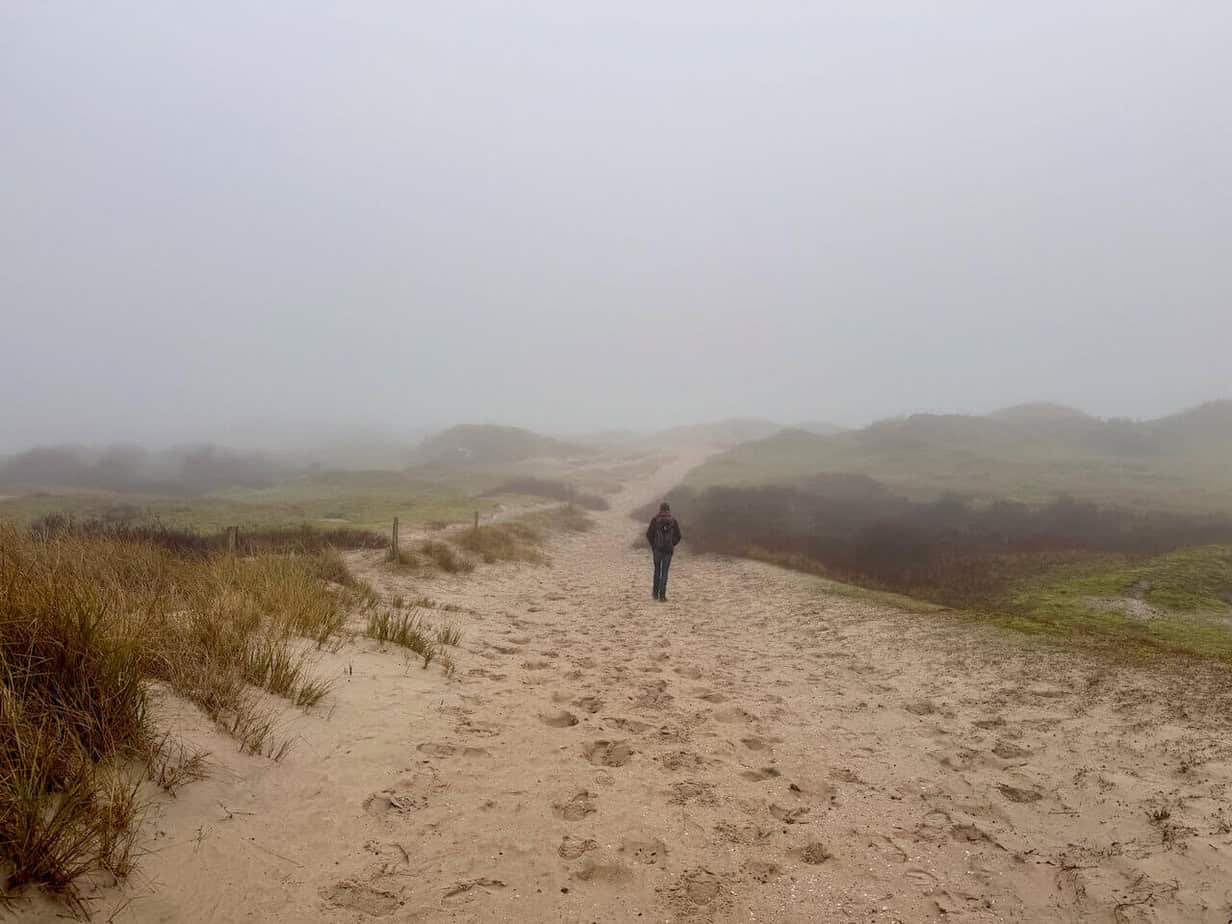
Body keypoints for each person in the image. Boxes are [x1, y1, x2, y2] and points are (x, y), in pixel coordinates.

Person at [646, 502, 682, 601]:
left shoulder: (655, 520)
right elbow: (679, 536)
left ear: (660, 509)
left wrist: (654, 546)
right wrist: (672, 544)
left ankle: (655, 594)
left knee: (657, 571)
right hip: (668, 550)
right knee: (665, 573)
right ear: (668, 510)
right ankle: (662, 596)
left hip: (657, 549)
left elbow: (649, 534)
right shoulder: (673, 520)